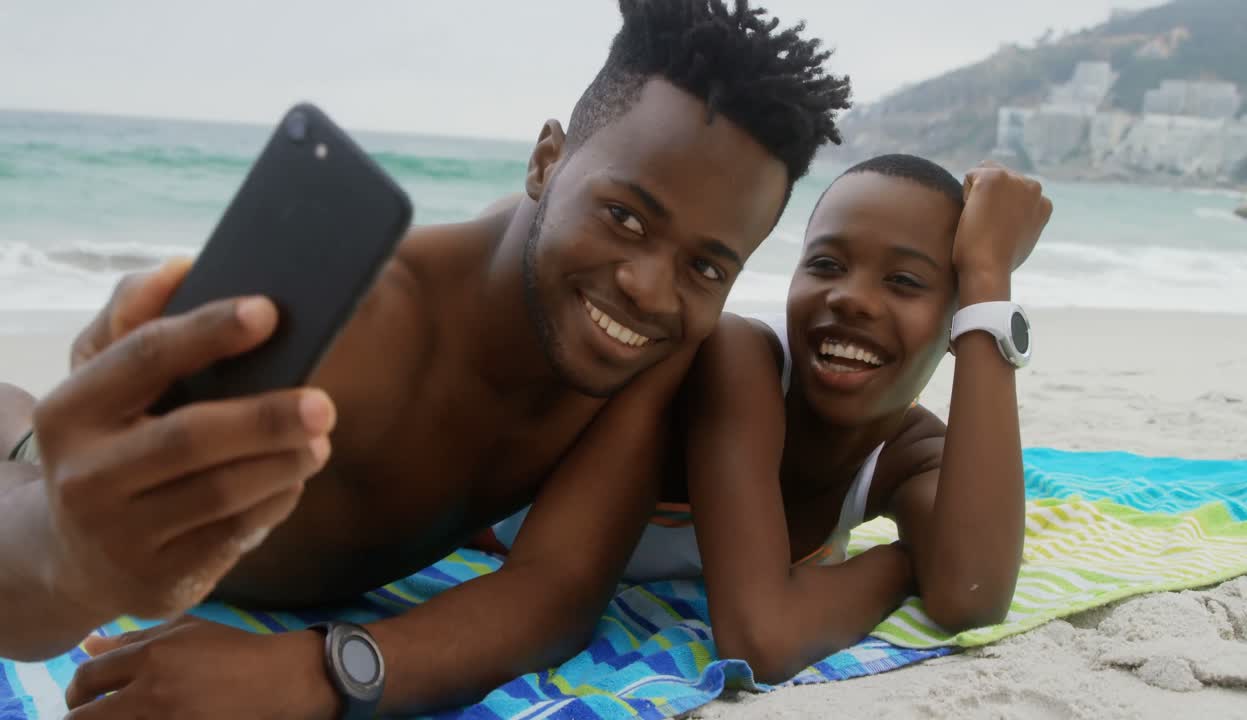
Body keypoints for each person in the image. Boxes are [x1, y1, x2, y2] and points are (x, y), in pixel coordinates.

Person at [0, 1, 851, 716]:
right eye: (625, 216)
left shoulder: (649, 346)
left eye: (707, 265)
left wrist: (318, 672)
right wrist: (68, 558)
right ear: (546, 159)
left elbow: (554, 592)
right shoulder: (365, 321)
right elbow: (58, 531)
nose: (650, 287)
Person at [489, 154, 1051, 684]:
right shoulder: (738, 357)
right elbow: (762, 638)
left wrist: (986, 276)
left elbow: (972, 597)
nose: (852, 299)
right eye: (826, 264)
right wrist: (902, 565)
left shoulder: (910, 457)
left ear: (958, 323)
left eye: (904, 281)